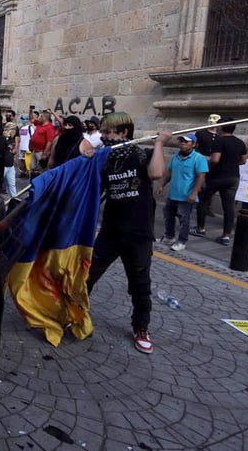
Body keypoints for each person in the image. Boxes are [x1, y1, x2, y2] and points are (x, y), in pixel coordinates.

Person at [87, 112, 171, 355]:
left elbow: (156, 174)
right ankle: (76, 314)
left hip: (139, 234)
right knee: (88, 276)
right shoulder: (108, 159)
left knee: (140, 285)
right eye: (102, 132)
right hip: (111, 231)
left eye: (108, 132)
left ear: (124, 133)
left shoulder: (141, 155)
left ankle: (141, 328)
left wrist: (159, 143)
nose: (104, 137)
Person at [193, 119, 247, 245]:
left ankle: (200, 228)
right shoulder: (240, 142)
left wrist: (209, 162)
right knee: (228, 207)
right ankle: (226, 235)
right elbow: (244, 160)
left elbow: (215, 160)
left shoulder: (219, 140)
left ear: (221, 127)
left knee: (203, 201)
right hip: (233, 177)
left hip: (216, 176)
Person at [158, 134, 209, 252]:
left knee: (184, 220)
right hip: (173, 194)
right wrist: (162, 184)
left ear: (194, 144)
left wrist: (194, 193)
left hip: (186, 196)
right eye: (181, 141)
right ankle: (169, 236)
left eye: (186, 142)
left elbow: (201, 176)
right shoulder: (176, 156)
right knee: (168, 216)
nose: (183, 143)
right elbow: (169, 172)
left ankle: (182, 241)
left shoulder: (198, 158)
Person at [28, 111, 56, 176]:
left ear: (45, 118)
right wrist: (30, 110)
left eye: (41, 116)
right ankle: (32, 181)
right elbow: (32, 119)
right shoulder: (39, 124)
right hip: (34, 150)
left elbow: (50, 141)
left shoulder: (49, 127)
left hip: (41, 152)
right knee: (32, 168)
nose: (39, 117)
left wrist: (45, 154)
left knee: (41, 169)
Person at [2, 113, 19, 197]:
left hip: (10, 164)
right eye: (13, 129)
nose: (15, 131)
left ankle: (15, 201)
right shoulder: (3, 139)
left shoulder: (12, 138)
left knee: (12, 185)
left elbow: (14, 148)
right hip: (4, 165)